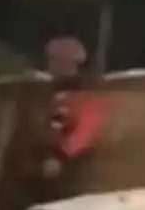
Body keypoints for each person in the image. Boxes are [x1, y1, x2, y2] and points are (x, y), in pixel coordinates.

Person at [37, 36, 107, 201]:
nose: (50, 65)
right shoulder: (54, 90)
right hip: (49, 163)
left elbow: (86, 130)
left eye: (55, 60)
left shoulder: (86, 92)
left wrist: (60, 156)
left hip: (74, 167)